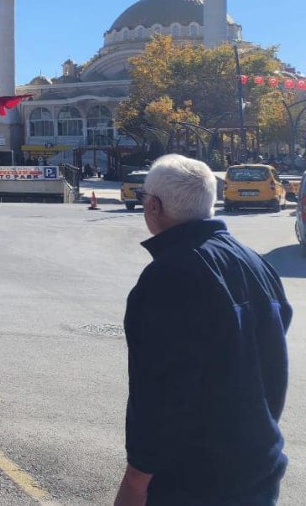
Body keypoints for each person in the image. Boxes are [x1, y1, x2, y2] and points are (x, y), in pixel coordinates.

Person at [115, 154, 292, 506]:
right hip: (258, 464)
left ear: (153, 205)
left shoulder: (168, 277)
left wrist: (137, 479)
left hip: (194, 480)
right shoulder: (255, 262)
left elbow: (162, 390)